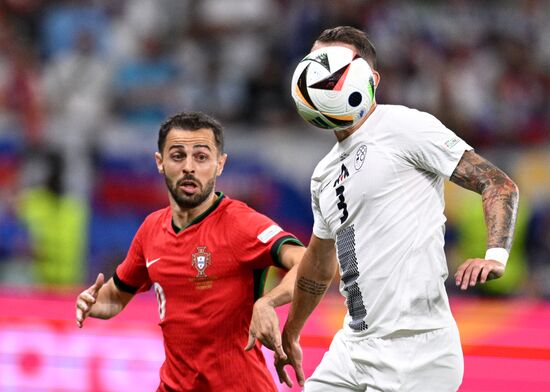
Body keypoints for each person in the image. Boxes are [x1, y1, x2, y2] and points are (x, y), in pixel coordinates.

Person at [276, 26, 519, 392]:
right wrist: (291, 331)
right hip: (352, 346)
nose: (321, 76)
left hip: (417, 349)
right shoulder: (323, 174)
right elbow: (319, 262)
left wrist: (495, 256)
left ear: (369, 79)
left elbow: (498, 184)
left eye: (333, 66)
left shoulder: (405, 126)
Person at [75, 112, 305, 391]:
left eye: (201, 157)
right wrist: (93, 303)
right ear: (160, 162)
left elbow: (305, 262)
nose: (188, 167)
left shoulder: (241, 223)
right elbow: (115, 297)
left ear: (220, 164)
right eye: (177, 156)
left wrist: (268, 302)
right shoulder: (151, 229)